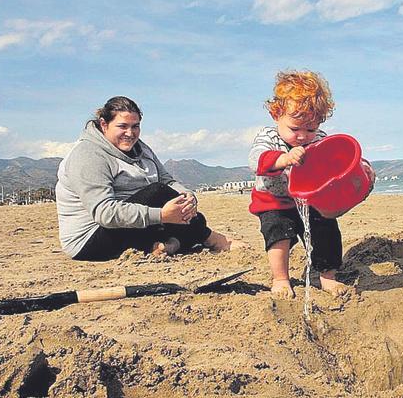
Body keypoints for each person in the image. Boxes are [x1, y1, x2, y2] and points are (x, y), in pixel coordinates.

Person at [56, 96, 234, 261]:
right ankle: (209, 238)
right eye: (122, 126)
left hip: (133, 225)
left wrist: (188, 196)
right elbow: (105, 212)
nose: (130, 133)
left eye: (135, 126)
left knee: (185, 210)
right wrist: (161, 215)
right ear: (104, 124)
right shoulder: (88, 155)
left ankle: (168, 245)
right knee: (158, 193)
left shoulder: (141, 148)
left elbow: (167, 180)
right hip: (90, 239)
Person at [249, 70, 366, 299]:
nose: (302, 136)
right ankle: (281, 278)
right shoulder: (268, 137)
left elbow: (338, 161)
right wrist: (282, 159)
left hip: (309, 200)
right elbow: (256, 159)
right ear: (276, 115)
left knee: (326, 231)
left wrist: (361, 169)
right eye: (295, 129)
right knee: (278, 234)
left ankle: (327, 276)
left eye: (310, 129)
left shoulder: (320, 140)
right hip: (274, 201)